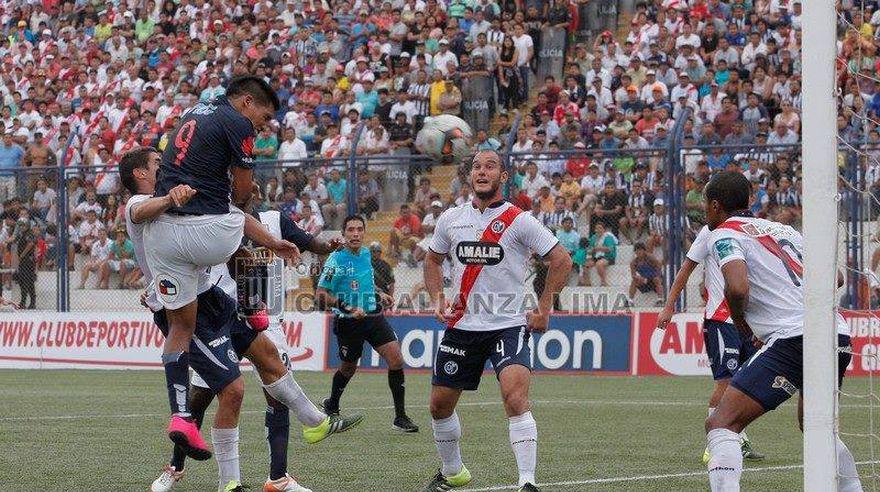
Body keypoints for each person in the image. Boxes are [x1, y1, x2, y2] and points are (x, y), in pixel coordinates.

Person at [118, 148, 362, 492]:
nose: (167, 166)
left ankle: (313, 424)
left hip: (218, 300)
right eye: (158, 163)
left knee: (267, 358)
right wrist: (171, 199)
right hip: (185, 307)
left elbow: (238, 226)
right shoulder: (142, 203)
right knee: (226, 392)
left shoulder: (211, 203)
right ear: (141, 174)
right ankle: (217, 479)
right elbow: (141, 212)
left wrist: (276, 245)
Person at [142, 76, 279, 459]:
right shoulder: (237, 122)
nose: (262, 126)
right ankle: (254, 308)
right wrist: (249, 216)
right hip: (202, 232)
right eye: (263, 117)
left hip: (164, 236)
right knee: (242, 222)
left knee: (180, 329)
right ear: (247, 102)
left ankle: (181, 416)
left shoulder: (194, 111)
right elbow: (243, 191)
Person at [698, 172, 861, 492]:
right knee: (818, 431)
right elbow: (837, 278)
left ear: (716, 206)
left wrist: (743, 324)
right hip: (836, 335)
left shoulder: (723, 234)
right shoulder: (782, 230)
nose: (705, 212)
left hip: (795, 339)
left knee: (721, 425)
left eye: (705, 205)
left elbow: (738, 286)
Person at [422, 150, 572, 492]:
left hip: (508, 325)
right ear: (469, 176)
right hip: (461, 327)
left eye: (490, 166)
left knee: (515, 398)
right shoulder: (451, 218)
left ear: (503, 176)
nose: (482, 172)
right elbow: (432, 260)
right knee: (438, 407)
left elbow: (561, 259)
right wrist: (436, 300)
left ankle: (527, 482)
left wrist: (545, 308)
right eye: (476, 167)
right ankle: (453, 470)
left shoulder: (520, 220)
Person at [657, 221, 765, 464]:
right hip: (720, 319)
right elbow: (686, 268)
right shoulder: (710, 231)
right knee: (725, 382)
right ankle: (714, 444)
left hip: (747, 320)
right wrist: (668, 307)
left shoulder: (749, 228)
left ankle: (738, 437)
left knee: (747, 383)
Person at [316, 215, 419, 433]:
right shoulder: (336, 260)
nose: (355, 234)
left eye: (359, 230)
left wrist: (380, 294)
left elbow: (365, 285)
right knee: (349, 367)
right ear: (343, 234)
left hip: (373, 316)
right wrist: (348, 307)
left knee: (396, 359)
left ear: (364, 232)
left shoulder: (365, 254)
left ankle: (400, 418)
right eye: (350, 230)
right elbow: (321, 295)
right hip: (348, 321)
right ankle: (332, 403)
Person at [626, 242, 665, 307]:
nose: (638, 252)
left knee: (656, 279)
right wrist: (639, 278)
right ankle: (630, 301)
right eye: (636, 250)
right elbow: (633, 275)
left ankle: (660, 300)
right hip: (644, 280)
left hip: (654, 278)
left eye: (640, 250)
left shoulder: (650, 257)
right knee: (634, 281)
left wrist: (657, 276)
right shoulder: (633, 262)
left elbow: (659, 266)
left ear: (644, 250)